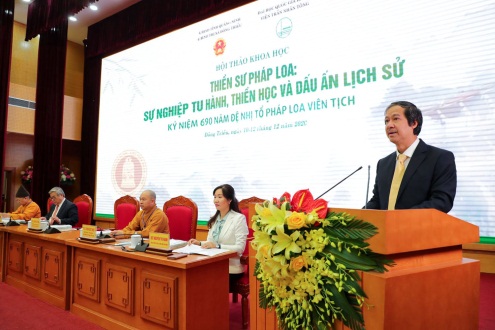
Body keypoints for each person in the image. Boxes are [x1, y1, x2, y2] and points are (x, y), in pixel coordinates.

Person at [365, 101, 457, 213]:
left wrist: (402, 219)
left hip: (419, 229)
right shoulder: (383, 164)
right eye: (386, 121)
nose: (389, 125)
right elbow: (377, 202)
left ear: (414, 123)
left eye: (396, 119)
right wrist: (353, 219)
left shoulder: (439, 158)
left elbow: (442, 201)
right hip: (388, 230)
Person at [187, 184, 248, 290]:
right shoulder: (214, 219)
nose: (216, 200)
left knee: (204, 281)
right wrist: (199, 243)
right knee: (193, 276)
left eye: (220, 197)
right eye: (215, 197)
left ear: (229, 200)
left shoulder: (239, 218)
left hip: (231, 267)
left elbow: (239, 248)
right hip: (213, 264)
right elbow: (210, 242)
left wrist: (218, 246)